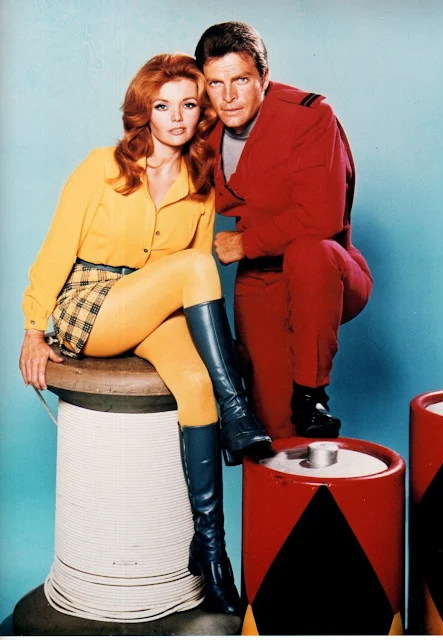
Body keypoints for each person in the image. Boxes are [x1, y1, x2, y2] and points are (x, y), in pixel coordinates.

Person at [19, 53, 271, 615]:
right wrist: (34, 329)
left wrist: (213, 345)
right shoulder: (102, 167)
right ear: (145, 112)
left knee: (196, 384)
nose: (176, 118)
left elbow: (191, 289)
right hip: (92, 306)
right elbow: (57, 248)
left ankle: (211, 552)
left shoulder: (200, 183)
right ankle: (239, 415)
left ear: (201, 113)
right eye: (163, 106)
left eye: (189, 105)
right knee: (197, 264)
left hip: (155, 310)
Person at [194, 22, 373, 440]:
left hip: (327, 272)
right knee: (272, 429)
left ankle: (312, 396)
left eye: (241, 80)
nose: (229, 96)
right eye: (216, 83)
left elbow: (322, 219)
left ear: (264, 78)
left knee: (310, 251)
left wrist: (245, 242)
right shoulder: (202, 125)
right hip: (260, 280)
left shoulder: (310, 116)